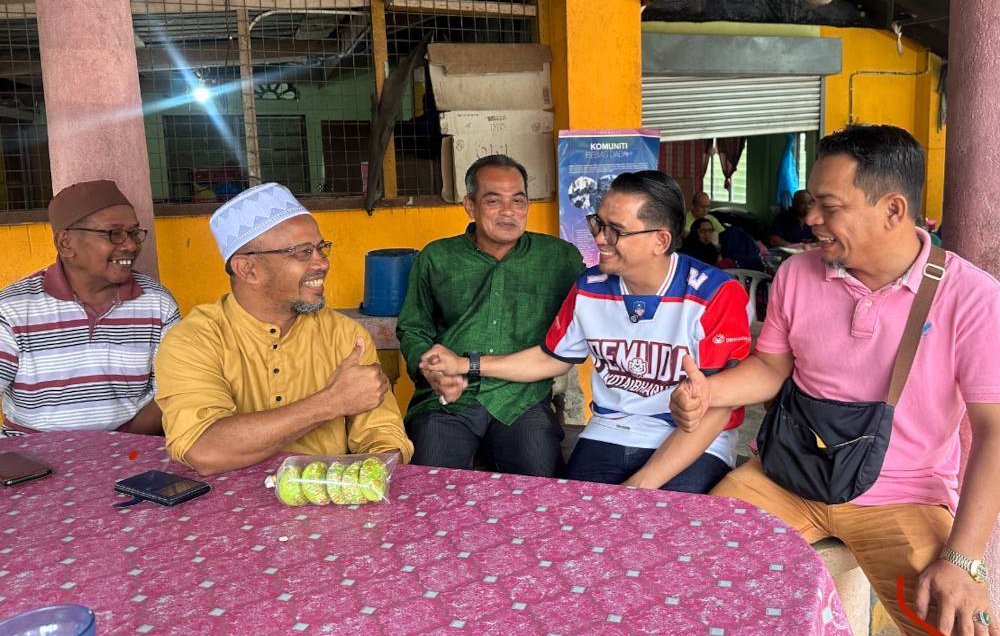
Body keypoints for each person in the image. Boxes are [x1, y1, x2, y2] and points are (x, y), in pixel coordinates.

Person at [670, 125, 1000, 636]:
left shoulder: (973, 299)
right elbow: (772, 366)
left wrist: (964, 559)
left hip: (903, 497)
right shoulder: (798, 273)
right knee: (688, 572)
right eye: (812, 204)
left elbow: (994, 435)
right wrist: (709, 390)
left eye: (828, 205)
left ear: (893, 210)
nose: (810, 218)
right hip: (785, 477)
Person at [421, 171, 750, 493]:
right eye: (598, 223)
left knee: (664, 528)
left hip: (693, 439)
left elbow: (718, 407)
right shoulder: (590, 288)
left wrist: (638, 487)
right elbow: (551, 358)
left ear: (660, 240)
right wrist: (468, 365)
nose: (599, 238)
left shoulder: (714, 295)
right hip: (611, 431)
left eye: (615, 231)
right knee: (568, 518)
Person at [155, 182, 412, 475]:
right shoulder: (194, 341)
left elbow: (384, 439)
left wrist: (365, 477)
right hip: (227, 509)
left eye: (321, 248)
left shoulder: (344, 336)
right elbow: (202, 448)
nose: (323, 263)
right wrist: (329, 403)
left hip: (327, 504)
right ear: (247, 269)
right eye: (303, 252)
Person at [396, 155, 583, 477]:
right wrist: (429, 368)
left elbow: (585, 323)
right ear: (470, 206)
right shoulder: (437, 257)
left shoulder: (559, 258)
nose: (509, 211)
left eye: (518, 200)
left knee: (541, 486)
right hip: (448, 401)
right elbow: (414, 329)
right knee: (431, 485)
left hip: (521, 399)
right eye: (493, 200)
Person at [0, 180, 178, 436]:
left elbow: (172, 393)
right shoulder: (12, 310)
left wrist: (112, 449)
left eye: (134, 233)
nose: (130, 245)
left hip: (131, 449)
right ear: (66, 244)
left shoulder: (157, 304)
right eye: (113, 233)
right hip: (32, 456)